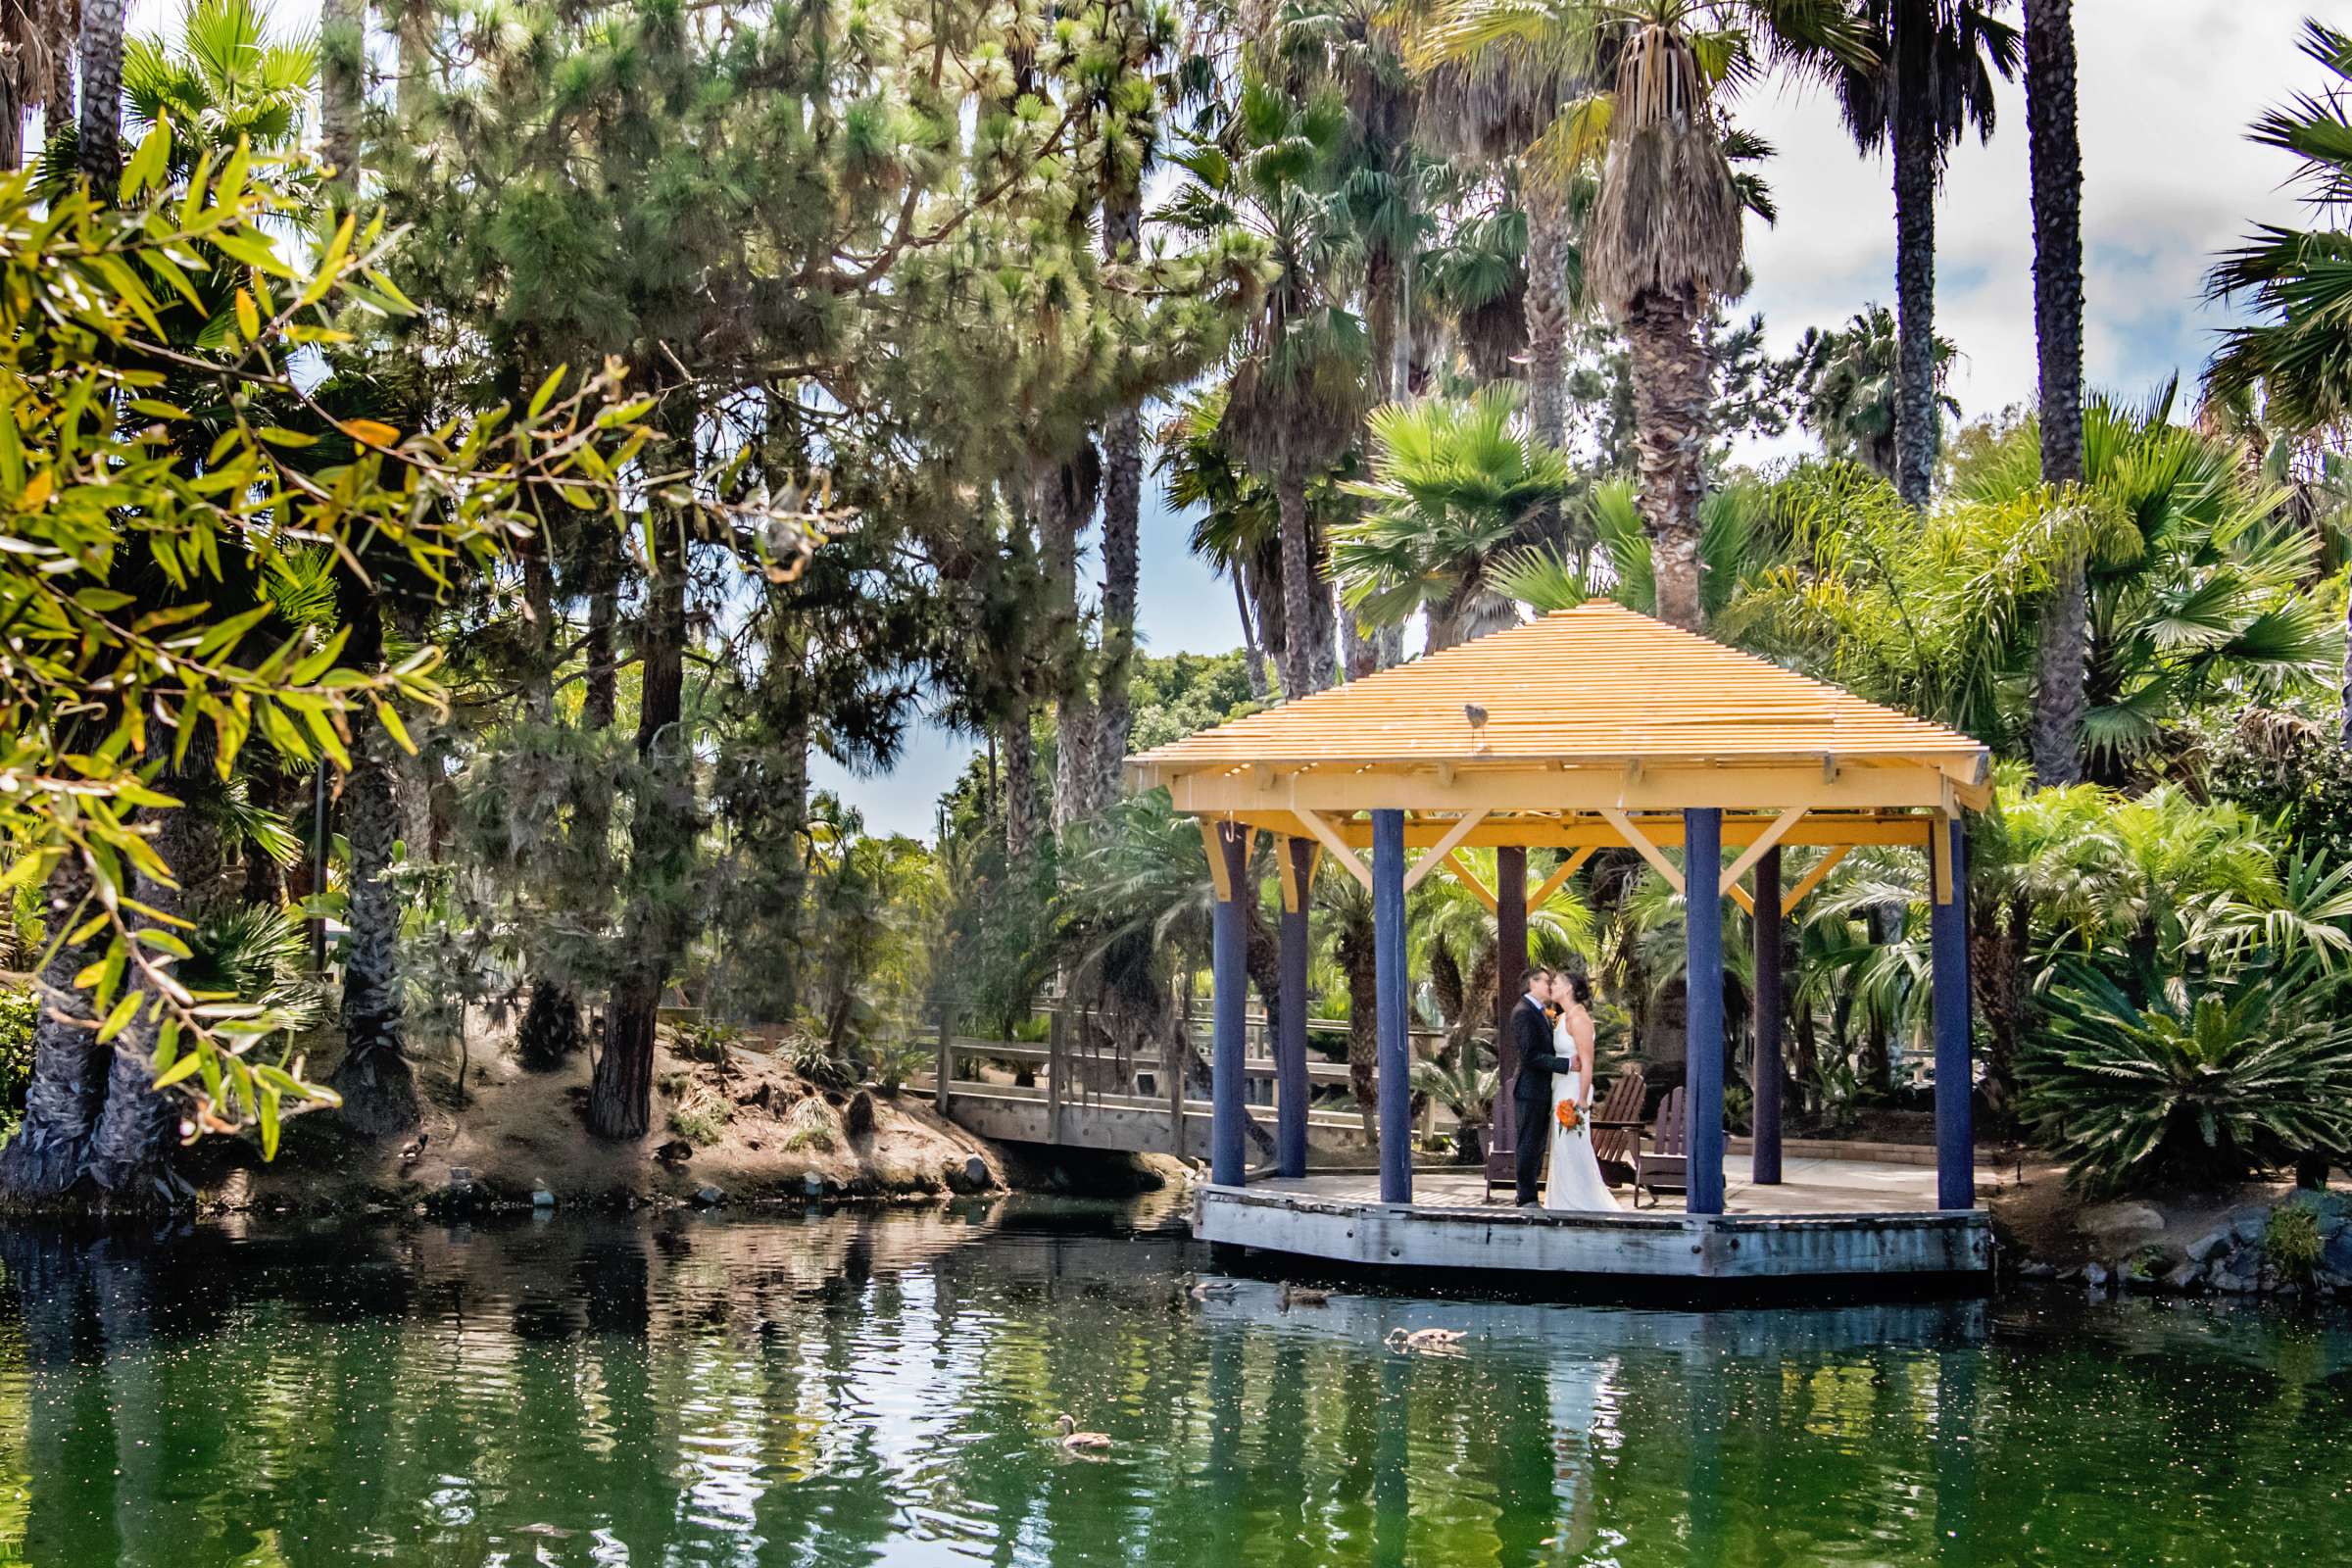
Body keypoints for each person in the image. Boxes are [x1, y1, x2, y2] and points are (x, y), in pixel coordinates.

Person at [1544, 972, 1619, 1211]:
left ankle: (1581, 1201)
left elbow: (1587, 1062)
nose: (1551, 986)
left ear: (1568, 989)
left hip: (1574, 1089)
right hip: (1560, 1086)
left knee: (1572, 1145)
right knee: (1561, 1147)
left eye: (1555, 983)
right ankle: (1562, 1201)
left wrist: (1582, 1098)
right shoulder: (1562, 1018)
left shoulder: (1579, 1019)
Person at [1510, 966, 1573, 1205]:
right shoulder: (1524, 1012)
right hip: (1530, 1089)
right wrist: (1564, 1064)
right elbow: (1530, 1055)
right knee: (1528, 1141)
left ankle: (1531, 1191)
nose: (1550, 986)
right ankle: (1526, 1196)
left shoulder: (1540, 1012)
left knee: (1536, 1143)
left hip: (1542, 1089)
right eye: (1546, 981)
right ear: (1532, 984)